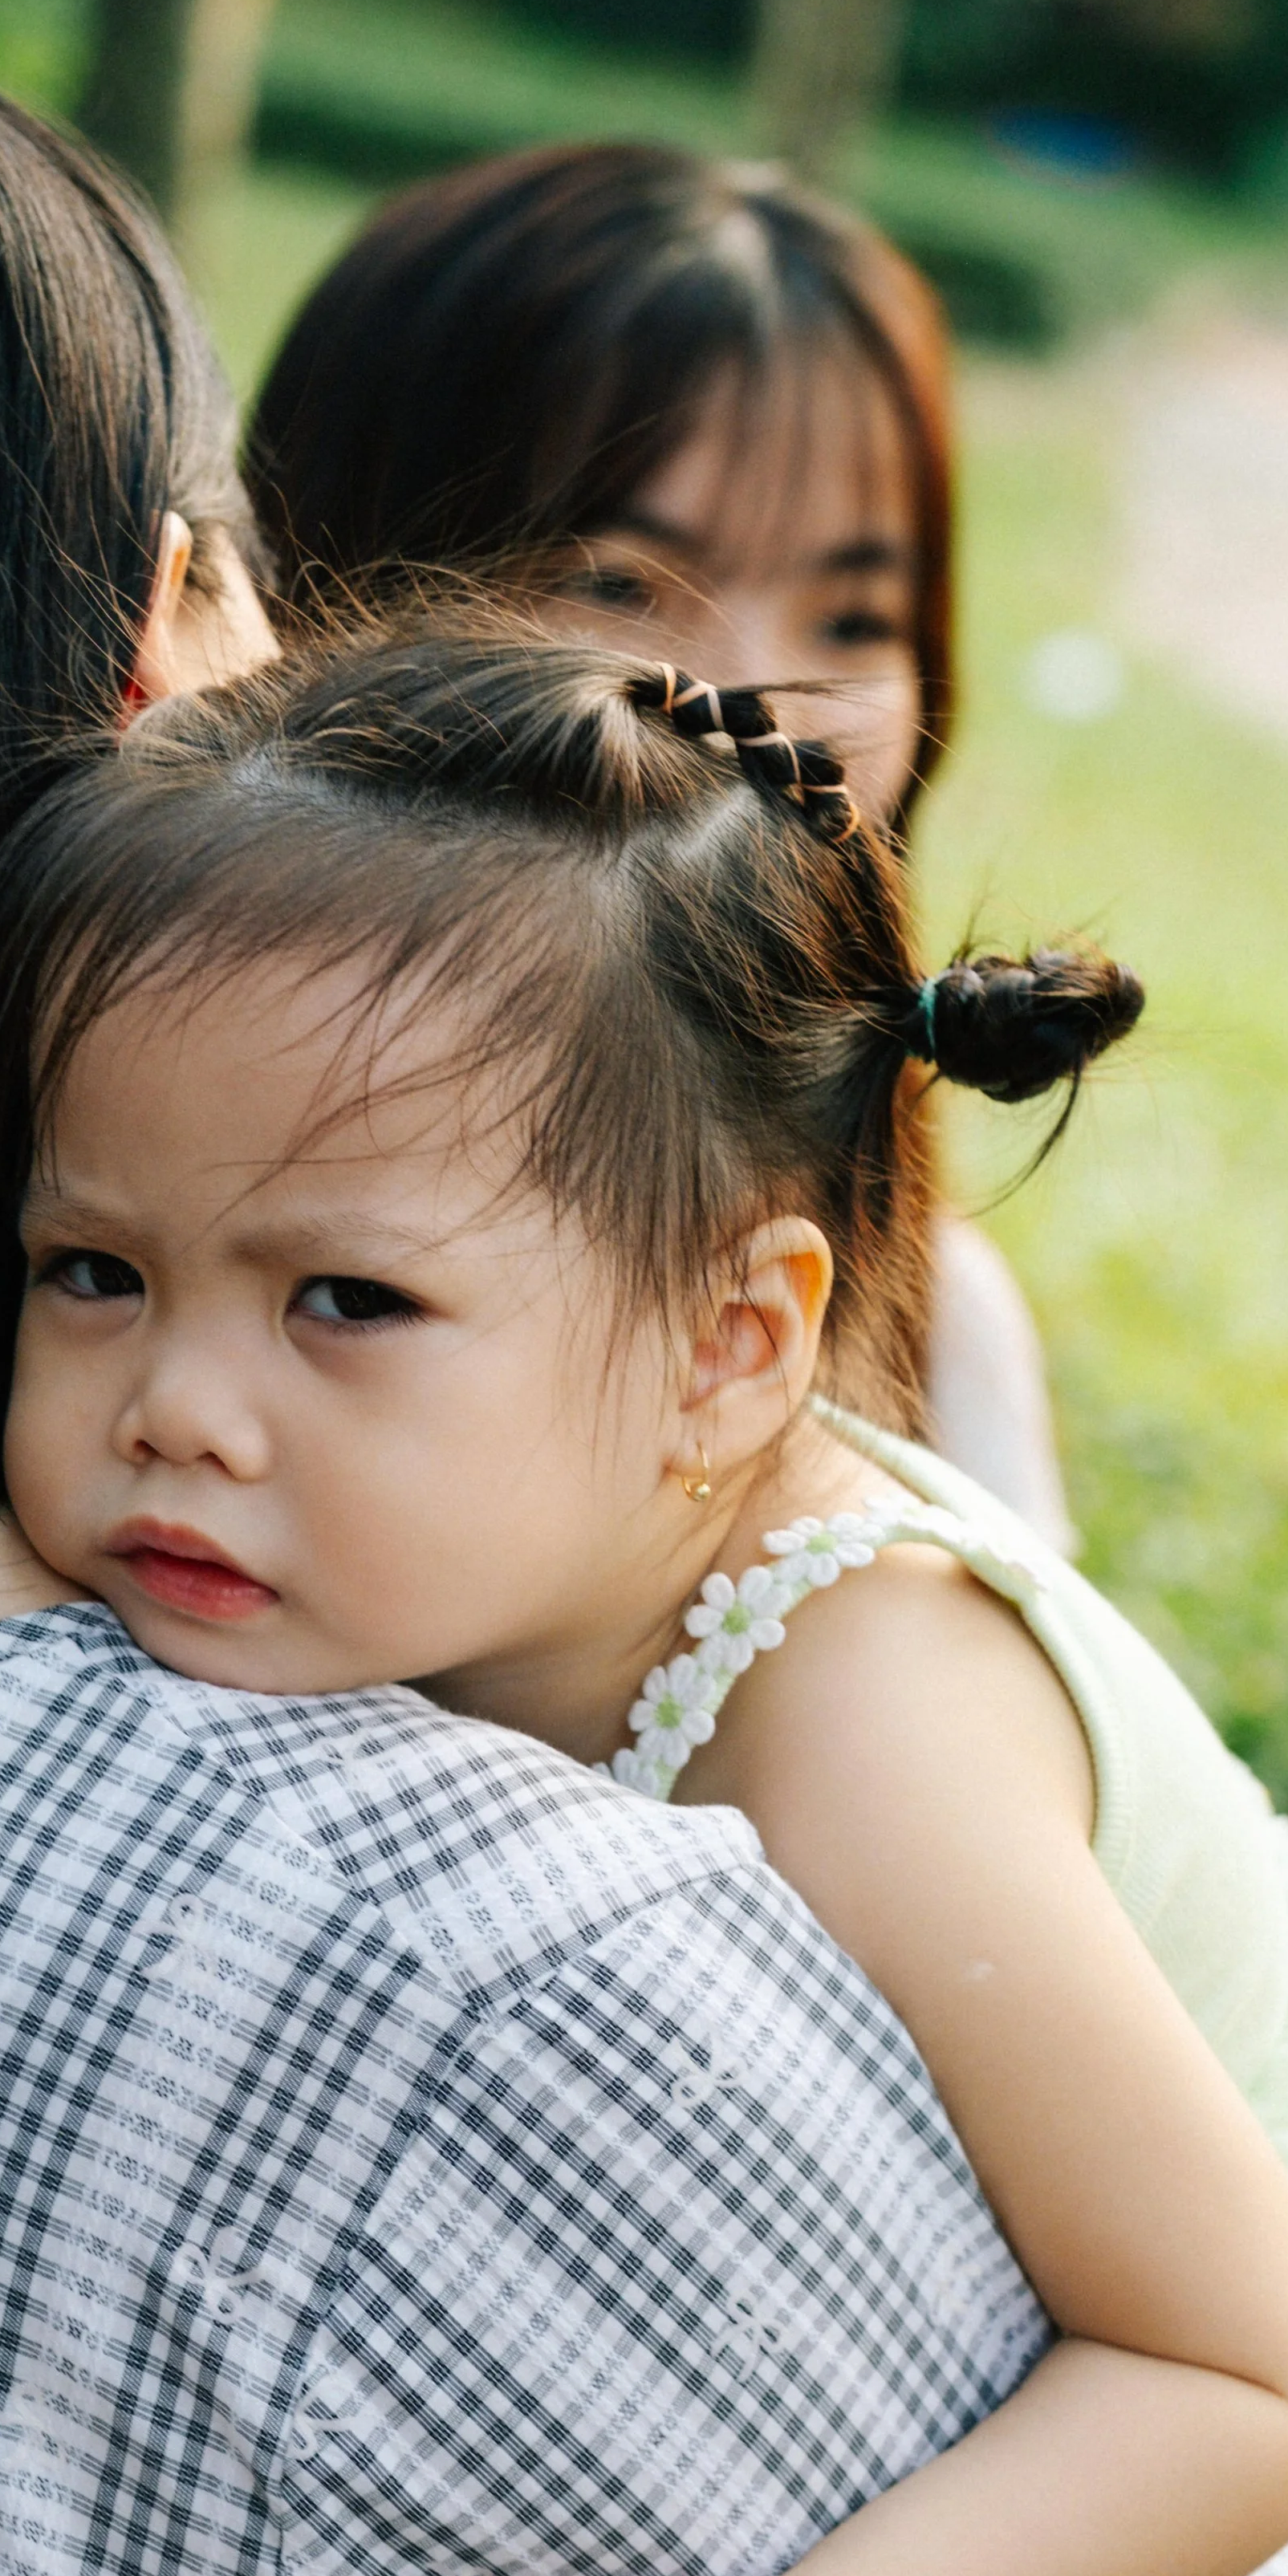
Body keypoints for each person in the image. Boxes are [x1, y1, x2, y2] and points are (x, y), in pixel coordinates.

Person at [0, 624, 1288, 2576]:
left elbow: (1246, 2371)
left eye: (342, 1304)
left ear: (730, 1345)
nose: (176, 1406)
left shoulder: (856, 1700)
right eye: (91, 1268)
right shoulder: (438, 1532)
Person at [246, 140, 1075, 1546]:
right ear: (335, 569)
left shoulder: (932, 1331)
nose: (764, 699)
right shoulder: (89, 1188)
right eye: (622, 584)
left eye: (856, 621)